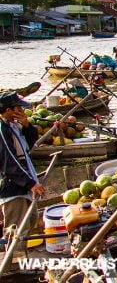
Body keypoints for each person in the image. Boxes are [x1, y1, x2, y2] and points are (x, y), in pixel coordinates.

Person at [0, 92, 44, 257]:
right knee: (17, 230)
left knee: (31, 220)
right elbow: (9, 163)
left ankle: (17, 256)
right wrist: (30, 184)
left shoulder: (14, 126)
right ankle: (14, 267)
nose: (22, 111)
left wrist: (27, 126)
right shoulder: (2, 129)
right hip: (14, 187)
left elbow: (29, 145)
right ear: (9, 110)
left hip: (24, 181)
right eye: (18, 108)